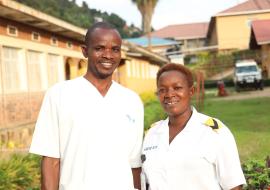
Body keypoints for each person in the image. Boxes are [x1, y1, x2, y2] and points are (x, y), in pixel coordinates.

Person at [29, 22, 144, 190]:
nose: (108, 55)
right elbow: (51, 161)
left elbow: (134, 164)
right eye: (99, 48)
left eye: (115, 49)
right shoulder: (60, 95)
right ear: (85, 51)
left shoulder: (132, 100)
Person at [141, 63, 246, 190]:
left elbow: (233, 185)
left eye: (177, 88)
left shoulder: (214, 133)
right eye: (162, 90)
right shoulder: (151, 135)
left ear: (191, 91)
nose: (169, 94)